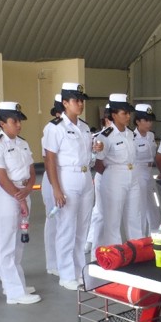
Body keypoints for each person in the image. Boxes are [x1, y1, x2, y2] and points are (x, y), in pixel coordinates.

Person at [43, 83, 101, 291]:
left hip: (85, 177)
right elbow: (50, 159)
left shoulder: (84, 127)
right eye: (76, 100)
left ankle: (78, 271)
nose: (80, 104)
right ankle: (66, 273)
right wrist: (56, 189)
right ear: (65, 103)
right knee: (66, 227)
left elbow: (89, 156)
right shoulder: (55, 128)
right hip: (67, 177)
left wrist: (96, 149)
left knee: (81, 229)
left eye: (81, 100)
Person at [0, 101, 42, 305]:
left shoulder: (23, 143)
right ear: (2, 123)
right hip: (6, 196)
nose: (18, 125)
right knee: (6, 244)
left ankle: (15, 282)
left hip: (22, 193)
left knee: (19, 241)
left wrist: (28, 189)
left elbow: (31, 170)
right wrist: (20, 197)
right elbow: (1, 176)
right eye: (14, 121)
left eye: (19, 121)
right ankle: (13, 293)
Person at [93, 93, 142, 249]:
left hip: (132, 175)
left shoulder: (131, 134)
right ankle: (114, 253)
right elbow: (98, 160)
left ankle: (138, 250)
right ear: (114, 115)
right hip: (114, 176)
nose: (128, 116)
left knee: (134, 216)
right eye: (124, 113)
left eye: (128, 113)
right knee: (113, 219)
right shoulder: (105, 136)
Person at [41, 95, 64, 276]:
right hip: (52, 178)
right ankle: (52, 263)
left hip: (68, 177)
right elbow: (48, 160)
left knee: (67, 223)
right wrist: (54, 186)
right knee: (53, 221)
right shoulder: (51, 129)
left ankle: (64, 260)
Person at [86, 105, 112, 255]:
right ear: (107, 119)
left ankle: (91, 240)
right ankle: (92, 242)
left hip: (118, 177)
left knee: (102, 212)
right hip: (103, 176)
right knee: (100, 212)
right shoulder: (98, 137)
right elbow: (94, 160)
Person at [132, 103, 161, 234]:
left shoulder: (150, 136)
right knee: (141, 207)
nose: (149, 123)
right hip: (138, 171)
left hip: (149, 172)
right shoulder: (132, 138)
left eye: (151, 120)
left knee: (154, 205)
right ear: (138, 121)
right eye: (146, 120)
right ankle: (141, 237)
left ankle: (154, 234)